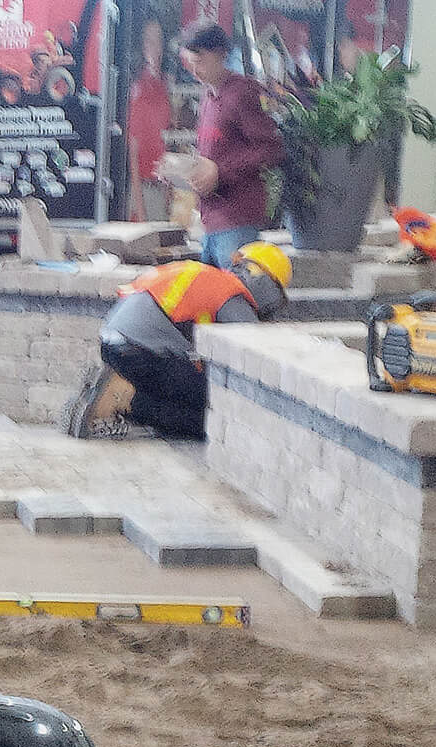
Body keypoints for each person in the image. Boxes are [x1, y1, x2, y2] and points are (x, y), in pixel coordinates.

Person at [60, 241, 291, 441]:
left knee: (183, 388)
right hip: (140, 353)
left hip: (114, 344)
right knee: (209, 414)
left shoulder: (206, 276)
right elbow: (252, 352)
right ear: (267, 284)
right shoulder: (234, 296)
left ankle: (114, 392)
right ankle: (126, 399)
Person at [178, 21, 283, 269]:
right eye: (190, 63)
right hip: (210, 220)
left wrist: (220, 172)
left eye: (200, 61)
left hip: (237, 219)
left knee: (236, 297)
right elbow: (212, 153)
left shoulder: (242, 93)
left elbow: (272, 149)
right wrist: (184, 171)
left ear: (220, 53)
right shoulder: (207, 96)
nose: (195, 71)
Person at [126, 18, 174, 223]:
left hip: (162, 188)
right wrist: (140, 207)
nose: (154, 47)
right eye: (149, 41)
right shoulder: (138, 88)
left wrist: (170, 188)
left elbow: (167, 139)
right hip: (143, 190)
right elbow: (133, 151)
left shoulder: (164, 86)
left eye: (158, 40)